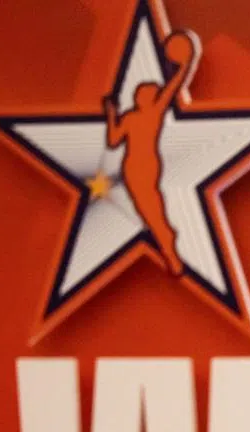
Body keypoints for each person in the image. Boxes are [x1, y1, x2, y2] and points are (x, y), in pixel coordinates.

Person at [104, 31, 199, 276]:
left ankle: (169, 246)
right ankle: (168, 243)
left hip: (146, 167)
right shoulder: (136, 116)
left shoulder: (152, 112)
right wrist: (111, 114)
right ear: (140, 97)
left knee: (152, 208)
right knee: (149, 209)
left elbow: (173, 87)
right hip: (134, 169)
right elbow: (113, 140)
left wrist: (186, 66)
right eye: (149, 91)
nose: (153, 93)